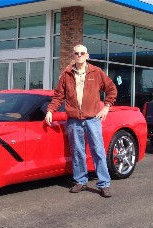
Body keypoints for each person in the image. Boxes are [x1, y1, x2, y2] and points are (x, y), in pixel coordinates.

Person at [45, 44, 117, 197]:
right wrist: (51, 110)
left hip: (92, 120)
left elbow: (111, 89)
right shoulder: (67, 74)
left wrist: (106, 107)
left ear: (87, 55)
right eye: (76, 53)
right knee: (78, 152)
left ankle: (104, 184)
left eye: (82, 53)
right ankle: (81, 181)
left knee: (98, 151)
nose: (79, 55)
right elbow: (58, 96)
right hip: (74, 120)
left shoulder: (96, 72)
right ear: (73, 55)